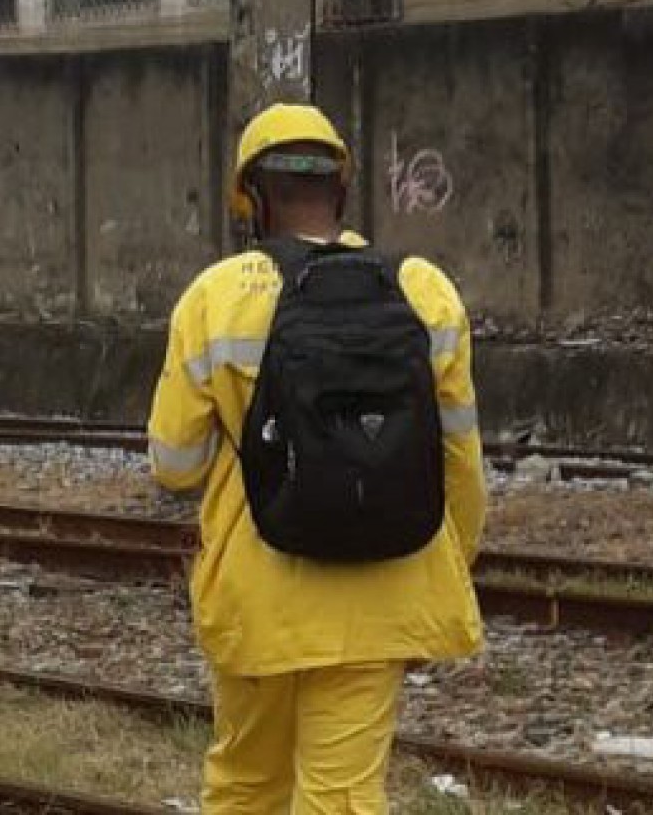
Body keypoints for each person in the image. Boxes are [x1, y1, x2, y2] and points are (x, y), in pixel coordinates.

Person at [147, 102, 486, 815]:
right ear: (342, 189)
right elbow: (459, 458)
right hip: (384, 589)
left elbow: (174, 465)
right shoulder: (424, 289)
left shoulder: (215, 298)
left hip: (259, 593)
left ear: (254, 200)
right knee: (342, 796)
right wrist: (448, 564)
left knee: (245, 785)